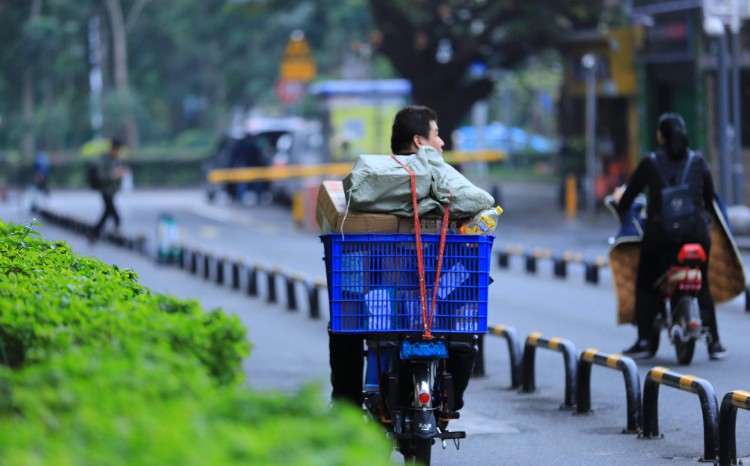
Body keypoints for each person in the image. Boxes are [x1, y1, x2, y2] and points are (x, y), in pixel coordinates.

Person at [329, 105, 481, 410]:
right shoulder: (437, 171)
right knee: (465, 326)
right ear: (419, 142)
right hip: (434, 293)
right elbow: (480, 200)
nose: (442, 143)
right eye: (437, 135)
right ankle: (452, 400)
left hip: (376, 289)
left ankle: (345, 404)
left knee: (345, 323)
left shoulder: (373, 174)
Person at [613, 113, 727, 360]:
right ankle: (715, 343)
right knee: (703, 282)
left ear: (660, 136)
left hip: (661, 238)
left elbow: (628, 198)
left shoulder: (650, 162)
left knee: (645, 282)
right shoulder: (698, 161)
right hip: (697, 235)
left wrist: (619, 200)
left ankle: (644, 340)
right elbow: (709, 201)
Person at [89, 138, 129, 241]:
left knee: (107, 212)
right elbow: (101, 176)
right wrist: (114, 174)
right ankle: (114, 228)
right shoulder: (104, 160)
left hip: (111, 190)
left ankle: (94, 233)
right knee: (111, 211)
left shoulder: (115, 159)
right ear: (114, 148)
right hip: (105, 190)